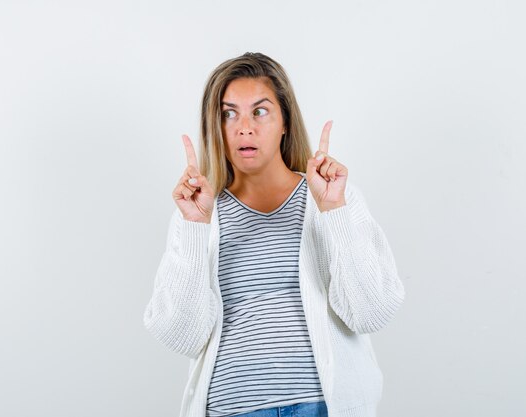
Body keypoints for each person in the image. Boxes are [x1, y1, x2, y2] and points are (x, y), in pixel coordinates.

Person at [142, 52, 405, 417]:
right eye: (228, 113)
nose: (243, 127)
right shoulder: (199, 211)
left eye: (260, 111)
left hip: (322, 406)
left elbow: (370, 312)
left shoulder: (331, 198)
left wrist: (334, 213)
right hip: (233, 409)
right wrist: (193, 228)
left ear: (285, 121)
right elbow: (182, 335)